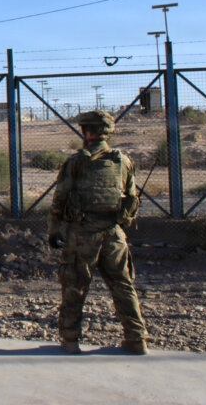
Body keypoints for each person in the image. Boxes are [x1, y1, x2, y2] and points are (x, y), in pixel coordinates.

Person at [48, 110, 147, 355]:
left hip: (82, 234)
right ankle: (136, 338)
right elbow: (131, 199)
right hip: (113, 234)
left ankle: (70, 340)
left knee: (74, 286)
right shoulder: (122, 160)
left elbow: (60, 198)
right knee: (123, 285)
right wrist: (119, 225)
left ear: (87, 131)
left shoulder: (77, 161)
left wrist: (53, 229)